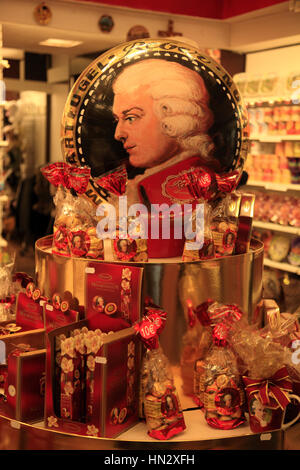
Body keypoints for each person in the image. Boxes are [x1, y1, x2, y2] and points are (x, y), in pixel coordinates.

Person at [112, 59, 216, 206]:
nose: (118, 134)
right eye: (117, 120)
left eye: (131, 118)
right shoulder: (147, 184)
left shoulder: (189, 186)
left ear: (171, 113)